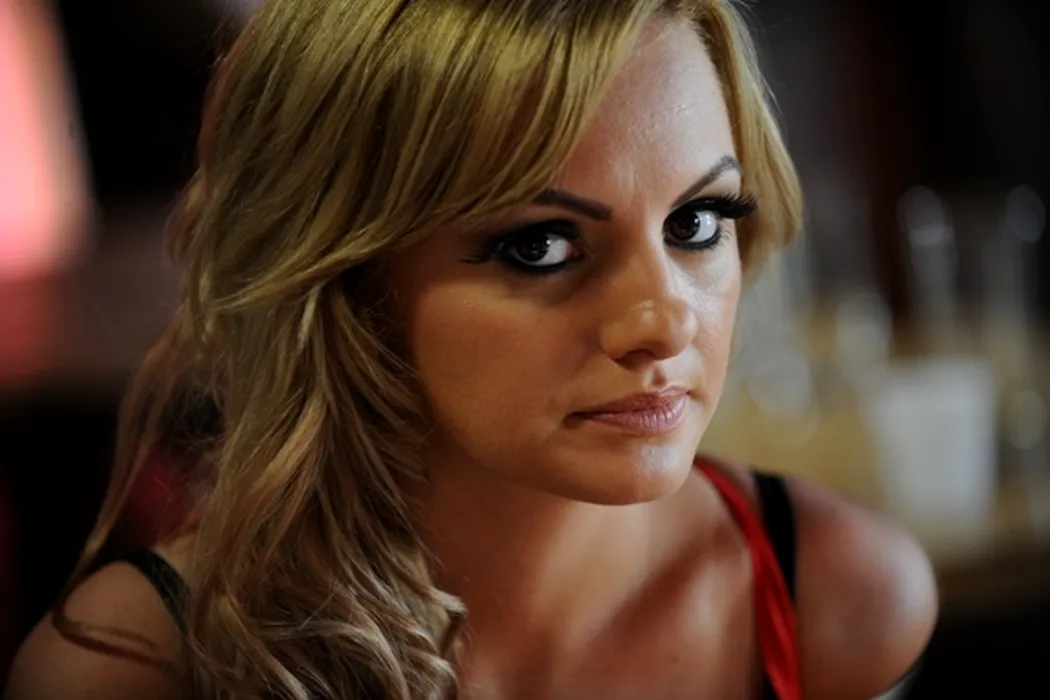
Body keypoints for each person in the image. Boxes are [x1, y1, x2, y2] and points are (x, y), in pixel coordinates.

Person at [5, 0, 938, 698]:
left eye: (696, 222)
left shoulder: (836, 598)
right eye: (541, 247)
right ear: (345, 279)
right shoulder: (140, 670)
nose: (664, 323)